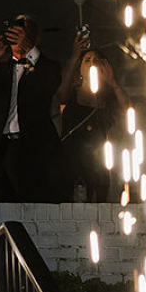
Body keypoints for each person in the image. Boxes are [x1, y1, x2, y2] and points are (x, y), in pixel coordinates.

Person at [0, 13, 64, 203]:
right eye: (14, 31)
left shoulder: (47, 67)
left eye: (23, 32)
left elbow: (51, 82)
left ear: (35, 37)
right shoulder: (3, 68)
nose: (17, 35)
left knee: (32, 199)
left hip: (31, 147)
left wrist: (29, 49)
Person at [54, 31, 131, 203]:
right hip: (71, 156)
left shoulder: (107, 97)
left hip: (98, 158)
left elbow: (128, 110)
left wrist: (112, 83)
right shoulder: (72, 94)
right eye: (87, 61)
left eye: (96, 61)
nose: (91, 64)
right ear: (80, 67)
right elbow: (60, 96)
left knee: (98, 198)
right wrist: (75, 56)